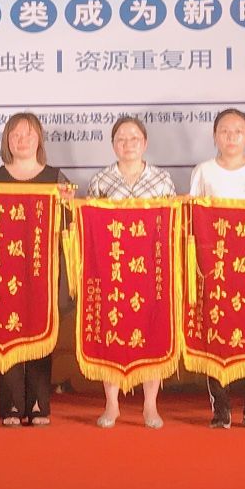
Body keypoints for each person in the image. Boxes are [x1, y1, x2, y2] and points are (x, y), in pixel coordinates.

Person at [189, 108, 245, 428]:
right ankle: (221, 407)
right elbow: (193, 218)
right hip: (215, 267)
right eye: (224, 131)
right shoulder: (203, 171)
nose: (231, 137)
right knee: (215, 328)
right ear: (215, 136)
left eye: (238, 131)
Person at [0, 112, 74, 427]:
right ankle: (10, 405)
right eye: (15, 135)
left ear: (39, 140)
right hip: (2, 270)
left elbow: (69, 228)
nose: (22, 140)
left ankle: (37, 404)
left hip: (42, 270)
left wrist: (68, 204)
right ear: (7, 140)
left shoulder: (55, 178)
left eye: (29, 134)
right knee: (5, 332)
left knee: (40, 332)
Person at [85, 116, 177, 429]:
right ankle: (112, 404)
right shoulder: (101, 180)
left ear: (145, 143)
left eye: (134, 138)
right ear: (113, 145)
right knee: (111, 330)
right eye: (121, 139)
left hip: (151, 270)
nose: (128, 144)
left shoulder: (161, 179)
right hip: (112, 269)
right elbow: (90, 226)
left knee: (152, 332)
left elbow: (172, 224)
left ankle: (150, 405)